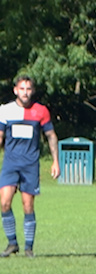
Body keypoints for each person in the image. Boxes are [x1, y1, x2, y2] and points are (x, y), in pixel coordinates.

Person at [0, 74, 59, 256]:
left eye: (28, 89)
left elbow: (51, 136)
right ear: (15, 90)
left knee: (28, 206)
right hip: (10, 163)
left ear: (32, 91)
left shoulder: (41, 111)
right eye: (22, 89)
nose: (25, 92)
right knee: (4, 203)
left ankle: (28, 248)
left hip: (30, 165)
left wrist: (55, 161)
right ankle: (12, 243)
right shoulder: (6, 110)